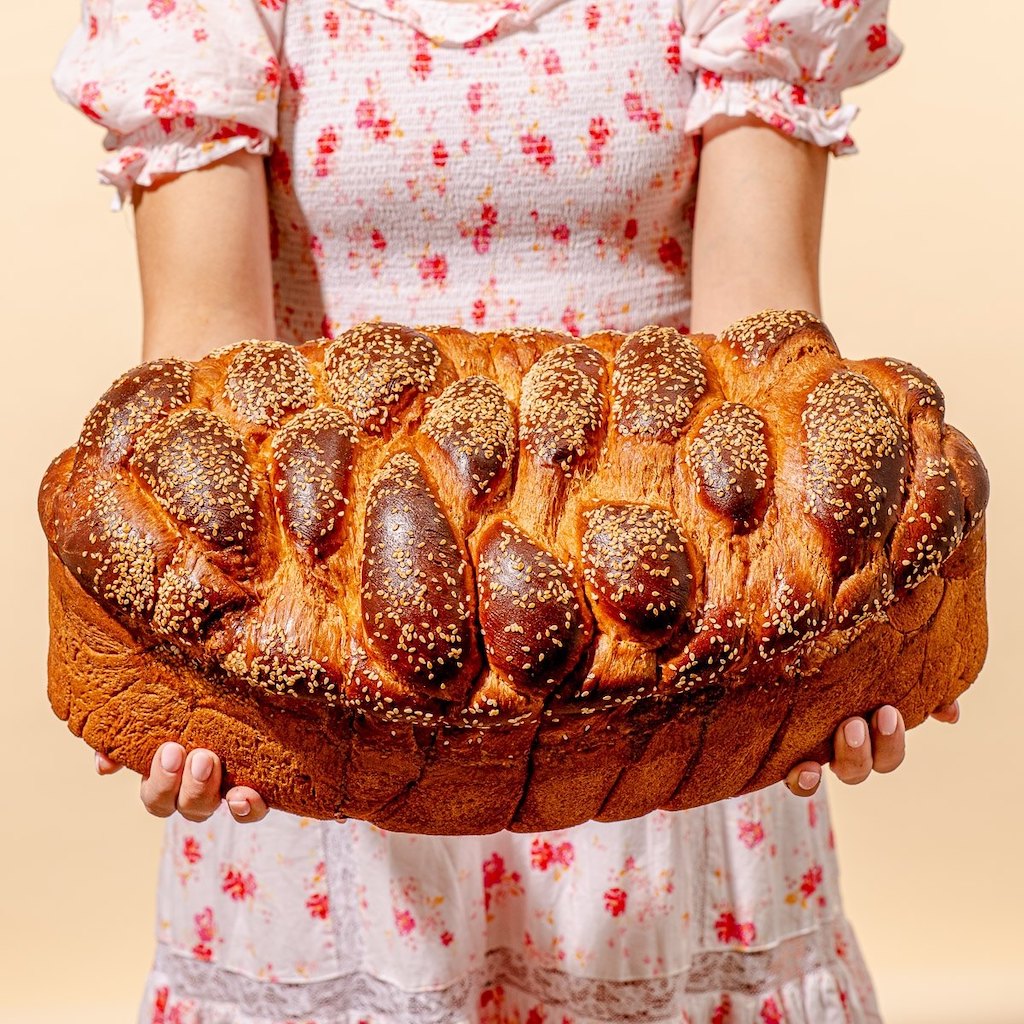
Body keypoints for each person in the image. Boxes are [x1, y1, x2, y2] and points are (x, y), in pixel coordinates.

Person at [53, 2, 959, 1021]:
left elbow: (756, 387)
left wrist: (840, 639)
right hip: (325, 712)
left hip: (663, 698)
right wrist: (181, 669)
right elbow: (206, 403)